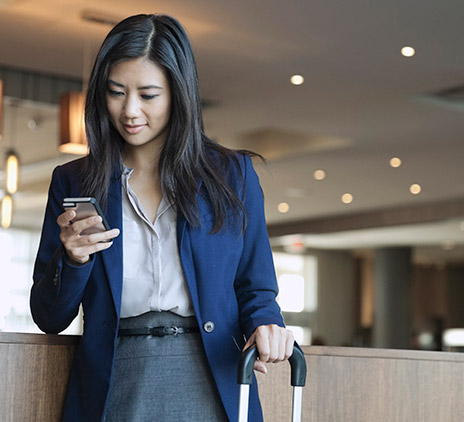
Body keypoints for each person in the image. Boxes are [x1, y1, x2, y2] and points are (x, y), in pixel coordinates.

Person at [30, 13, 294, 422]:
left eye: (148, 95)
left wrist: (267, 326)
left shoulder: (231, 175)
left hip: (210, 374)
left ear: (178, 94)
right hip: (113, 379)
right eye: (116, 92)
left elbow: (256, 287)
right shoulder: (73, 181)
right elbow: (49, 316)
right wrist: (73, 259)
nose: (129, 111)